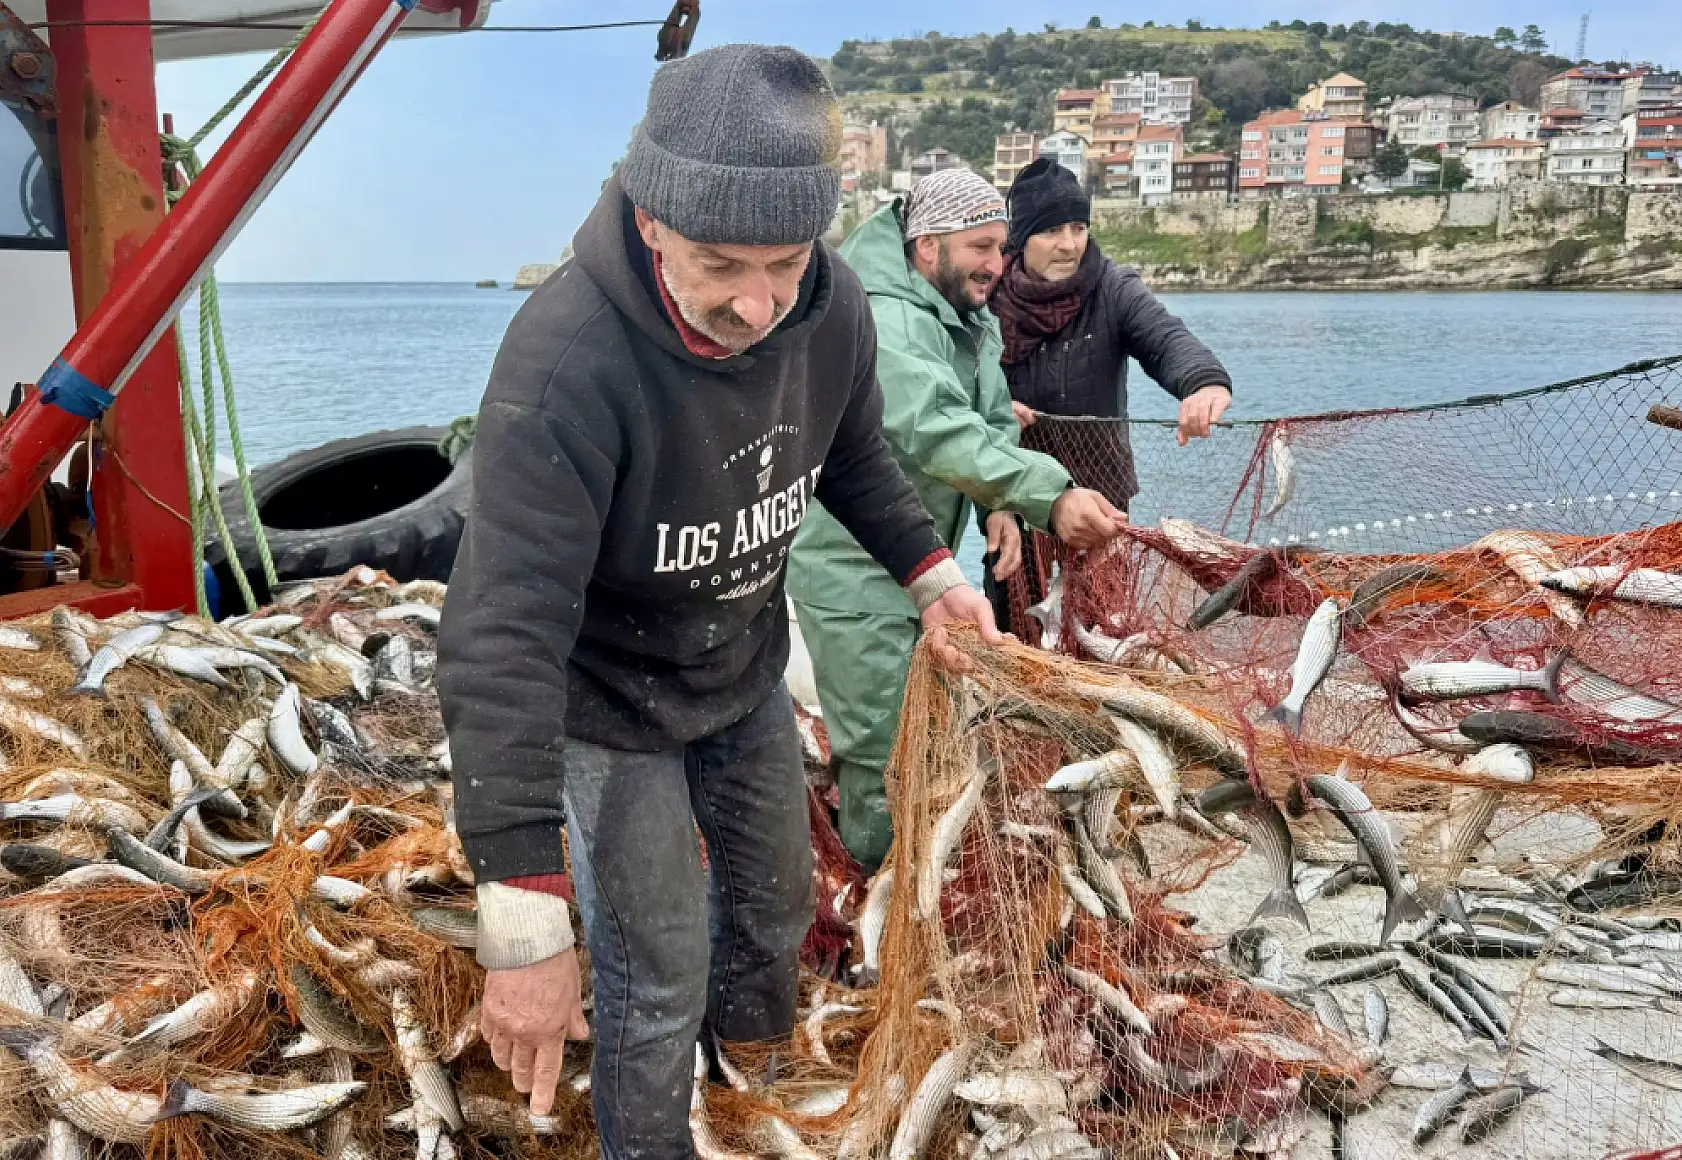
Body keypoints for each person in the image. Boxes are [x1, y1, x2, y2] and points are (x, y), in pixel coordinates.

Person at [437, 46, 1003, 1158]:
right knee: (655, 968)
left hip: (739, 667)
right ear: (652, 223)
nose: (756, 304)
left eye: (784, 264)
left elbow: (850, 454)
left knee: (771, 909)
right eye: (719, 265)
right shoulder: (565, 363)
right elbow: (501, 632)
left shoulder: (829, 309)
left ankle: (747, 1099)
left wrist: (931, 573)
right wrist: (522, 918)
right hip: (607, 701)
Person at [788, 168, 1129, 870]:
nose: (996, 265)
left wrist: (996, 503)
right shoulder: (887, 317)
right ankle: (876, 899)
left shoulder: (965, 313)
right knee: (884, 749)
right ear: (927, 246)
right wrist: (1049, 496)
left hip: (924, 566)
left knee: (931, 735)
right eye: (980, 247)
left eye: (1001, 247)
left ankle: (910, 879)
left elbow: (990, 414)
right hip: (853, 568)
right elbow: (933, 426)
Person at [990, 157, 1233, 507]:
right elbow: (957, 386)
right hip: (1016, 494)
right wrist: (993, 409)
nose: (1069, 244)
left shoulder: (1113, 287)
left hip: (1102, 495)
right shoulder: (988, 297)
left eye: (1078, 228)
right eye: (1051, 231)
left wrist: (1204, 383)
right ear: (1021, 239)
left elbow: (1165, 338)